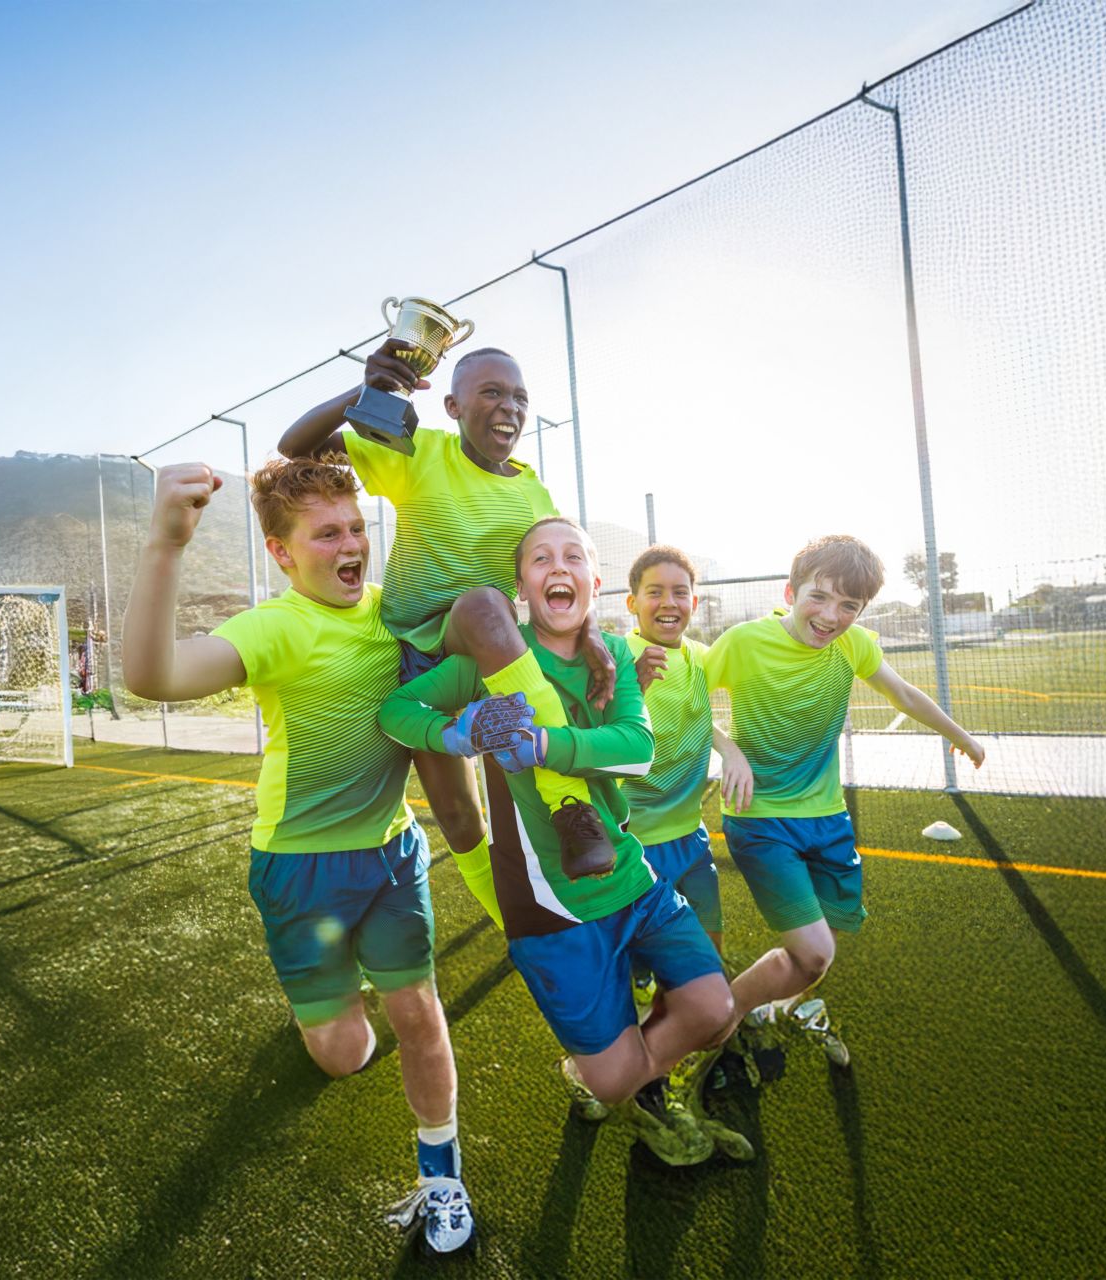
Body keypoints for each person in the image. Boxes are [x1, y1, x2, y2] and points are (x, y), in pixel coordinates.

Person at [121, 456, 473, 1255]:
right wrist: (166, 544)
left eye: (356, 528)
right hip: (299, 873)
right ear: (283, 554)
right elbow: (151, 676)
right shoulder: (273, 627)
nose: (351, 545)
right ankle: (324, 1002)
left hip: (390, 857)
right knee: (347, 1055)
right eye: (326, 534)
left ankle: (441, 1176)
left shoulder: (400, 617)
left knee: (417, 1013)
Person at [378, 517, 734, 1166]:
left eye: (573, 556)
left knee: (715, 1008)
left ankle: (627, 1065)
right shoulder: (481, 669)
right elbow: (396, 713)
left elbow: (635, 747)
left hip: (630, 875)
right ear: (521, 586)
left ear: (595, 584)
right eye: (540, 558)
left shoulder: (615, 660)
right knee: (613, 1078)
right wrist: (459, 733)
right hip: (552, 910)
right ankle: (610, 1073)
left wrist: (546, 744)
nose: (557, 565)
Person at [279, 343, 620, 923]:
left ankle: (573, 807)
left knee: (486, 607)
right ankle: (516, 924)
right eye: (491, 392)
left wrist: (590, 633)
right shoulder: (417, 453)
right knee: (461, 820)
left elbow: (558, 576)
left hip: (489, 654)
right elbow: (296, 447)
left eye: (519, 397)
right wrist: (367, 391)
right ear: (453, 406)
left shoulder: (533, 494)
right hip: (417, 663)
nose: (508, 406)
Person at [707, 534, 985, 1068]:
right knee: (814, 953)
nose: (831, 616)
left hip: (829, 819)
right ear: (791, 590)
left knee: (827, 937)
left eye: (848, 606)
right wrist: (729, 750)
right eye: (820, 597)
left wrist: (961, 734)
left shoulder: (853, 646)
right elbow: (687, 703)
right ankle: (728, 1013)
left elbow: (903, 693)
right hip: (761, 819)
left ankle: (782, 1006)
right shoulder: (744, 641)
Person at [622, 545, 746, 956]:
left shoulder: (700, 657)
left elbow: (696, 715)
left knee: (709, 941)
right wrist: (633, 689)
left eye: (680, 592)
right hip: (635, 841)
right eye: (654, 591)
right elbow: (596, 731)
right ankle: (642, 997)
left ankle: (710, 1005)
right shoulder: (616, 657)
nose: (669, 602)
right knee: (642, 951)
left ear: (693, 601)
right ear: (632, 603)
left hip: (691, 835)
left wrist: (730, 750)